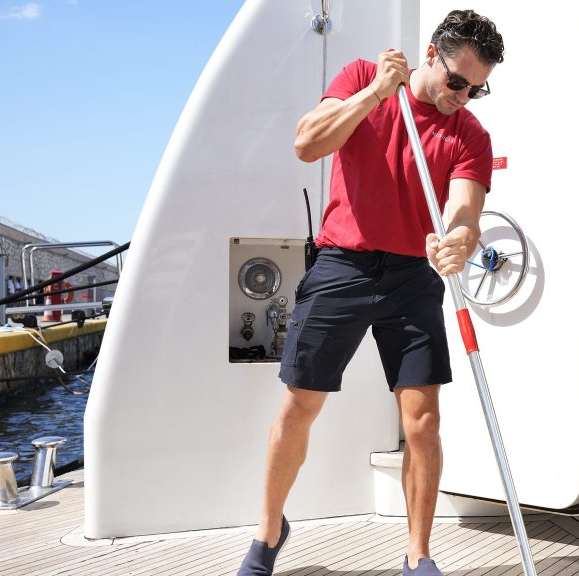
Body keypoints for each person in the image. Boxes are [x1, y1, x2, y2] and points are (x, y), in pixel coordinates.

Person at [237, 10, 505, 576]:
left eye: (476, 89)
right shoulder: (363, 77)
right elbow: (308, 144)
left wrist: (459, 239)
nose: (463, 96)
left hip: (413, 276)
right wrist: (377, 94)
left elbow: (463, 209)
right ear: (431, 54)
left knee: (422, 420)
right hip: (343, 263)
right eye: (457, 80)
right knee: (299, 405)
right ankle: (268, 532)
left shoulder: (469, 134)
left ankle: (418, 555)